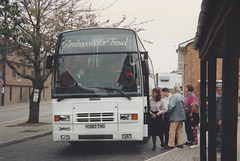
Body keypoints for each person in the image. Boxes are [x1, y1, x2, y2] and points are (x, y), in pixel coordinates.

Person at [216, 83, 222, 149]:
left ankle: (220, 145)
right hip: (220, 118)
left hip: (220, 118)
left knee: (220, 132)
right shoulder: (220, 97)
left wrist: (220, 119)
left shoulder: (221, 97)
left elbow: (220, 109)